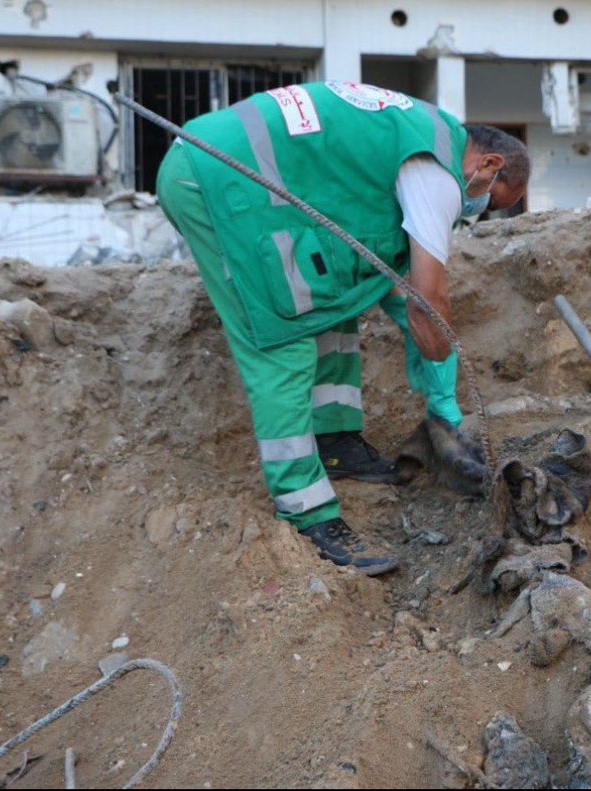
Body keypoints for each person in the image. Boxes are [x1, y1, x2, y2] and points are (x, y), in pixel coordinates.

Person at [156, 81, 529, 576]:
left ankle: (335, 445)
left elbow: (394, 290)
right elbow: (427, 303)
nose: (481, 210)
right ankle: (305, 510)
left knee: (333, 299)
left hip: (243, 174)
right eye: (493, 201)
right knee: (282, 332)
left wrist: (440, 383)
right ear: (488, 166)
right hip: (218, 179)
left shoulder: (420, 136)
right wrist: (446, 407)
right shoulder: (436, 174)